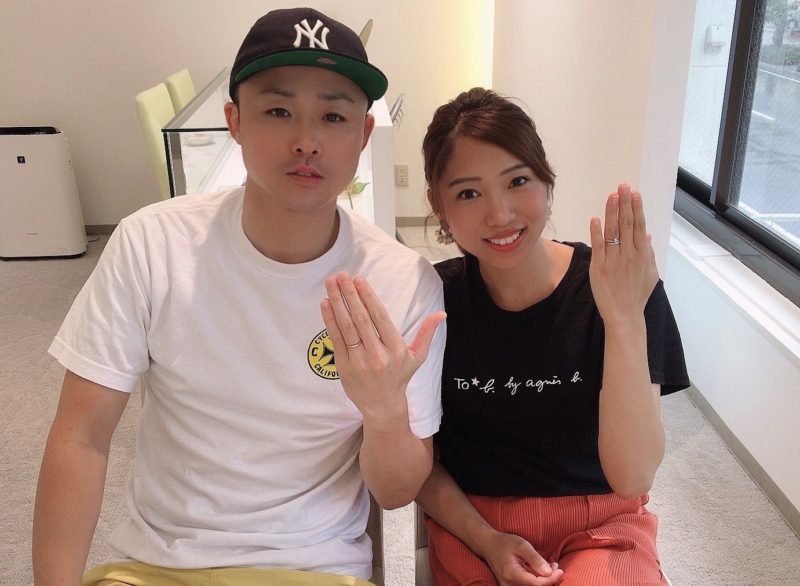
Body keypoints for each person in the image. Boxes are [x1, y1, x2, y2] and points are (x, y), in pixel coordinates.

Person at [32, 8, 445, 585]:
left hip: (313, 570)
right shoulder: (152, 244)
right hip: (155, 568)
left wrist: (384, 412)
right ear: (235, 121)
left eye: (333, 116)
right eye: (278, 111)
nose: (306, 142)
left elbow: (397, 492)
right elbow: (82, 437)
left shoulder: (401, 282)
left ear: (363, 136)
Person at [415, 88, 690, 586]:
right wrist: (487, 540)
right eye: (469, 193)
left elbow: (633, 476)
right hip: (475, 527)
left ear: (546, 178)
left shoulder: (618, 285)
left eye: (518, 181)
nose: (500, 215)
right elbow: (420, 464)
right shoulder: (431, 300)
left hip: (602, 524)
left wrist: (624, 320)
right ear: (439, 205)